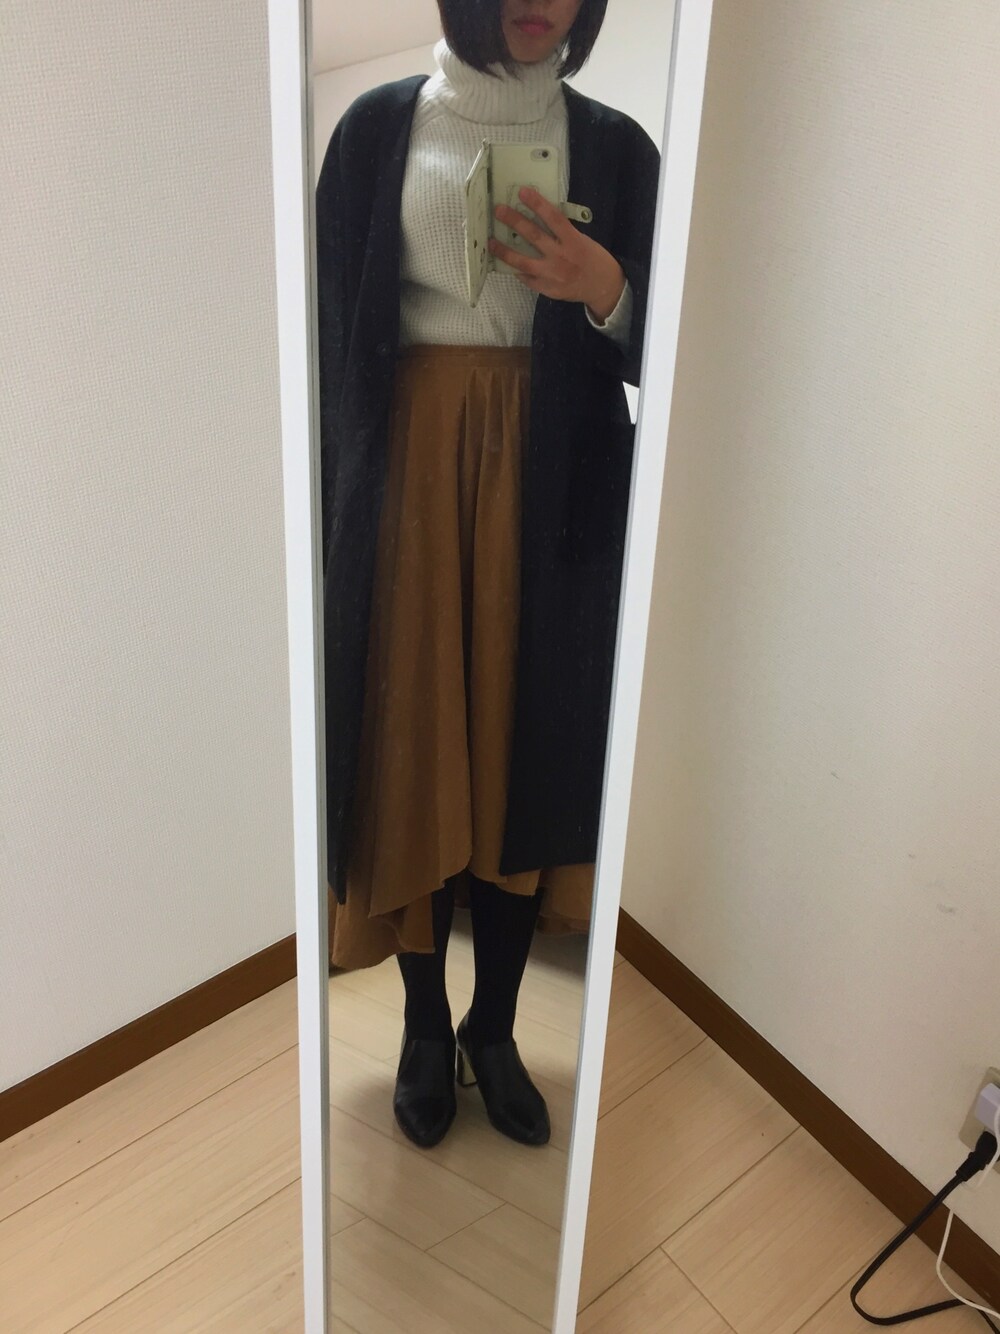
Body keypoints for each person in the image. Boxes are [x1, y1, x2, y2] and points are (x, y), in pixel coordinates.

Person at [317, 0, 660, 1151]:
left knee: (526, 750)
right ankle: (424, 1027)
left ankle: (494, 1027)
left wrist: (605, 285)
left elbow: (683, 344)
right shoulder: (374, 131)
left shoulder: (615, 148)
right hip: (404, 478)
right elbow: (325, 337)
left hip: (555, 483)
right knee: (411, 747)